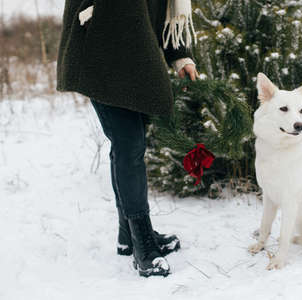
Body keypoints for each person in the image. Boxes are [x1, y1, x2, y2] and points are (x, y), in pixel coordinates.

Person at [56, 0, 199, 277]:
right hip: (101, 50)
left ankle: (128, 236)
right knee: (129, 144)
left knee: (129, 145)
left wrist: (181, 56)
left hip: (136, 60)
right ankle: (142, 244)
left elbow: (160, 10)